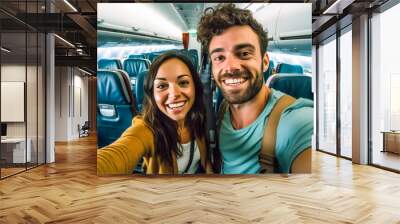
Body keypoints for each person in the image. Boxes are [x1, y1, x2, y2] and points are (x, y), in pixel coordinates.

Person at [197, 3, 313, 174]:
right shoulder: (222, 112)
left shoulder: (295, 123)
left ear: (265, 62)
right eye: (219, 57)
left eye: (244, 53)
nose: (230, 67)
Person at [97, 51, 213, 175]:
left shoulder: (198, 116)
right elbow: (117, 154)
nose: (174, 94)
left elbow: (206, 162)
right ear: (152, 94)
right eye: (162, 86)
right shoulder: (146, 129)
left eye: (183, 82)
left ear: (195, 87)